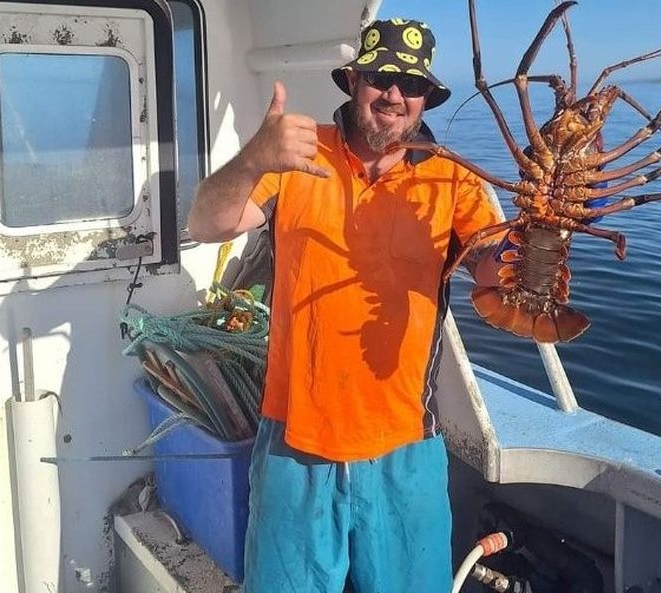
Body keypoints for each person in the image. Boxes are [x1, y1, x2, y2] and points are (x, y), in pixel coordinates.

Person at [188, 18, 503, 593]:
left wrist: (537, 248)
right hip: (294, 445)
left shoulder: (454, 178)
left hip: (405, 449)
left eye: (411, 85)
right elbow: (204, 222)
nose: (394, 95)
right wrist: (253, 159)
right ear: (354, 81)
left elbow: (493, 268)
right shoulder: (297, 157)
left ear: (426, 97)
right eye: (381, 77)